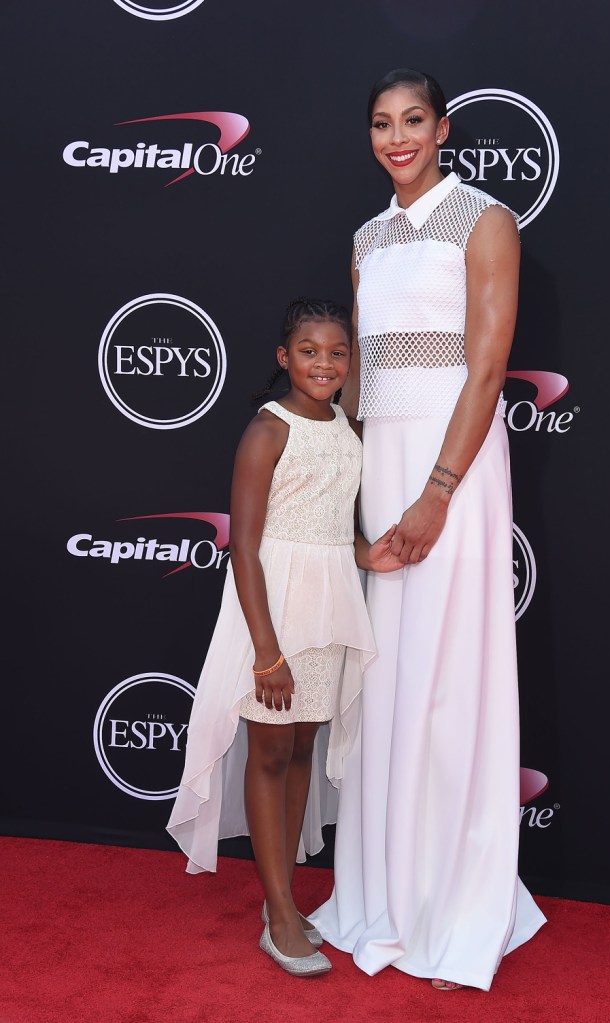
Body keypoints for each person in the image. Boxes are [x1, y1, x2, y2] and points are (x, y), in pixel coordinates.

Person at [309, 69, 547, 991]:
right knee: (394, 674)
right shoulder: (368, 237)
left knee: (450, 677)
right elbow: (363, 382)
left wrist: (439, 491)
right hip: (386, 472)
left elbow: (486, 369)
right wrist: (351, 488)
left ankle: (454, 905)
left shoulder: (484, 220)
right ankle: (388, 891)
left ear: (444, 129)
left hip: (457, 470)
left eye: (413, 122)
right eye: (380, 123)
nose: (396, 138)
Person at [167, 298, 401, 978]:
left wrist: (366, 553)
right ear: (283, 357)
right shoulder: (267, 431)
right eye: (310, 351)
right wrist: (265, 652)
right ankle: (275, 915)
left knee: (301, 746)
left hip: (330, 606)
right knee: (270, 753)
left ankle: (289, 899)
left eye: (337, 352)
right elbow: (245, 547)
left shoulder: (345, 424)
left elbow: (328, 519)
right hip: (273, 612)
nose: (324, 363)